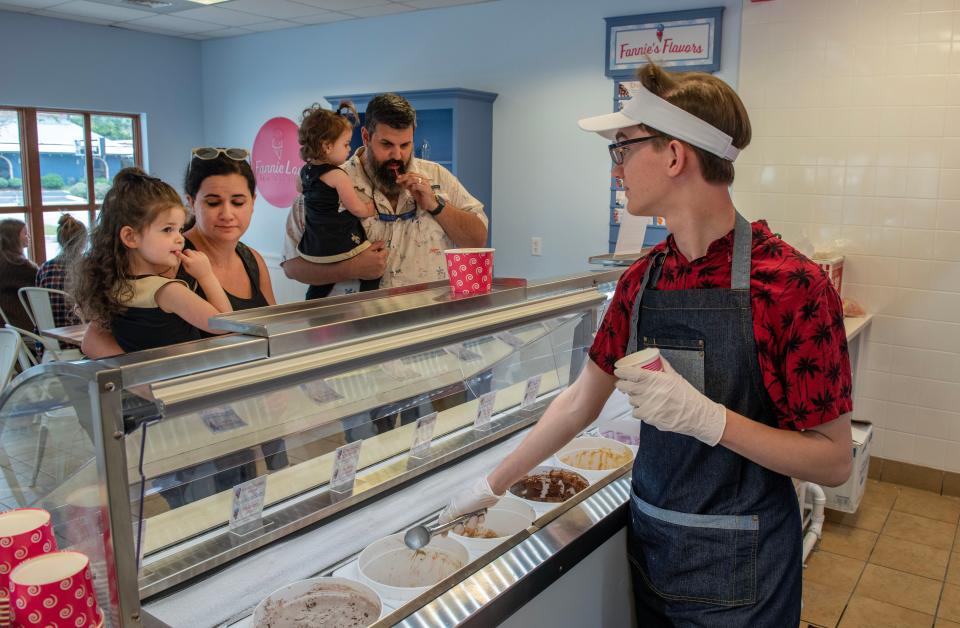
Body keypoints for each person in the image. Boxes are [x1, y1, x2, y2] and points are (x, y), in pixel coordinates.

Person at [439, 63, 854, 625]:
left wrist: (711, 420)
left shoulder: (790, 287)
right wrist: (492, 484)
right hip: (655, 550)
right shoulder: (642, 281)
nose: (617, 171)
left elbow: (833, 461)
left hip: (746, 569)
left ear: (675, 156)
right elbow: (579, 402)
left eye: (623, 150)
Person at [282, 92, 488, 298]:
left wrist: (436, 205)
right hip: (353, 326)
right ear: (366, 137)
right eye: (387, 144)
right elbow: (292, 267)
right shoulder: (326, 181)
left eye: (405, 145)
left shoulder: (437, 176)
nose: (397, 156)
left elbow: (477, 240)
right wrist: (350, 268)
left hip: (427, 323)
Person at [81, 148, 276, 358]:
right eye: (213, 202)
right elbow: (95, 340)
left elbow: (273, 330)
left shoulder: (252, 259)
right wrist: (151, 383)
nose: (227, 214)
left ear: (253, 202)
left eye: (238, 202)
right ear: (191, 203)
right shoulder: (168, 259)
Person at [73, 167, 232, 353]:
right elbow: (226, 325)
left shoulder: (112, 287)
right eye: (167, 229)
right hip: (184, 377)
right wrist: (206, 275)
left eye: (180, 229)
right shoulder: (168, 291)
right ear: (131, 237)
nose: (180, 238)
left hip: (150, 377)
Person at [296, 100, 378, 298]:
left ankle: (312, 300)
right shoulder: (338, 175)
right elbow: (355, 208)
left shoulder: (304, 171)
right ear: (326, 146)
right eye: (346, 144)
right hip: (335, 235)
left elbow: (299, 189)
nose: (349, 149)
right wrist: (370, 208)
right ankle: (368, 298)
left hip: (315, 237)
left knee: (322, 281)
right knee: (372, 268)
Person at [36, 214, 88, 328]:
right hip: (80, 336)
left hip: (48, 336)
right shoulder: (89, 267)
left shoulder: (45, 268)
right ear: (84, 241)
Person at [0, 218, 37, 331]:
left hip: (6, 325)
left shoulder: (4, 261)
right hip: (21, 325)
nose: (28, 236)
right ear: (14, 238)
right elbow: (40, 284)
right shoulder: (18, 265)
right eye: (25, 233)